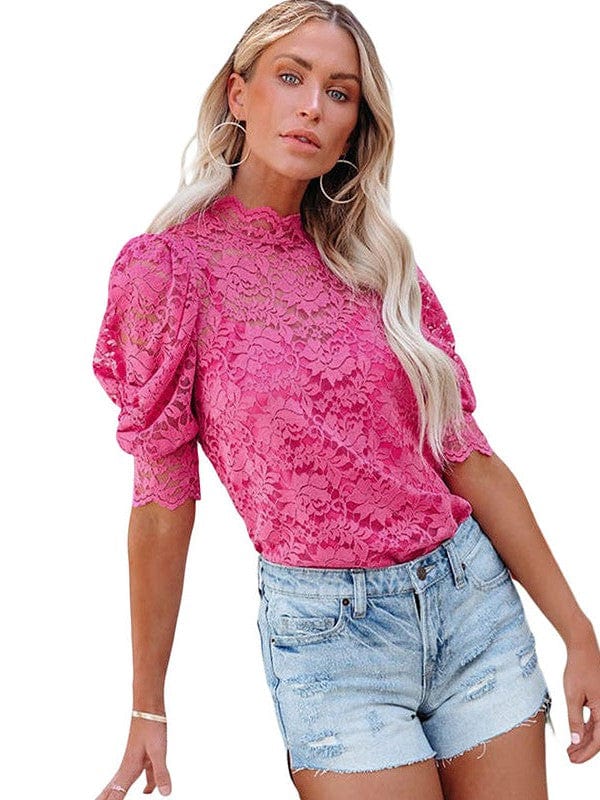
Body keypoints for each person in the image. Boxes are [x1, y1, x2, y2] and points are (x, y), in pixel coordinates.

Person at [92, 2, 600, 798]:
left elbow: (465, 455)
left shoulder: (378, 262)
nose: (311, 107)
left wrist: (577, 629)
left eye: (339, 93)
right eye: (290, 78)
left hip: (472, 606)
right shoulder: (169, 272)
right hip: (330, 642)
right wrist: (147, 704)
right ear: (238, 94)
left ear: (355, 125)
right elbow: (161, 497)